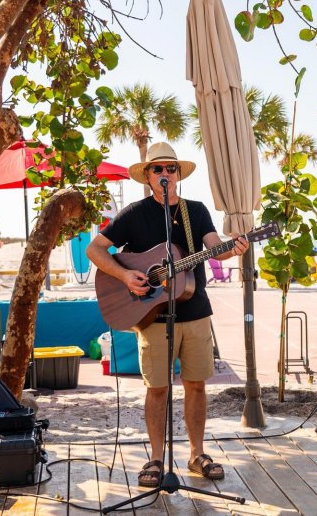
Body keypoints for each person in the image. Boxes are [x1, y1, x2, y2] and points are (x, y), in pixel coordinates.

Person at [86, 142, 247, 487]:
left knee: (196, 386)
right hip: (152, 316)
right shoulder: (133, 214)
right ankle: (156, 458)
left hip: (196, 311)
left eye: (170, 169)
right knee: (157, 389)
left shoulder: (196, 211)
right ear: (147, 175)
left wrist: (234, 249)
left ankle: (196, 453)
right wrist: (126, 275)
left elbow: (216, 247)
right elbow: (95, 249)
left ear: (178, 174)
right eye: (157, 169)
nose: (164, 174)